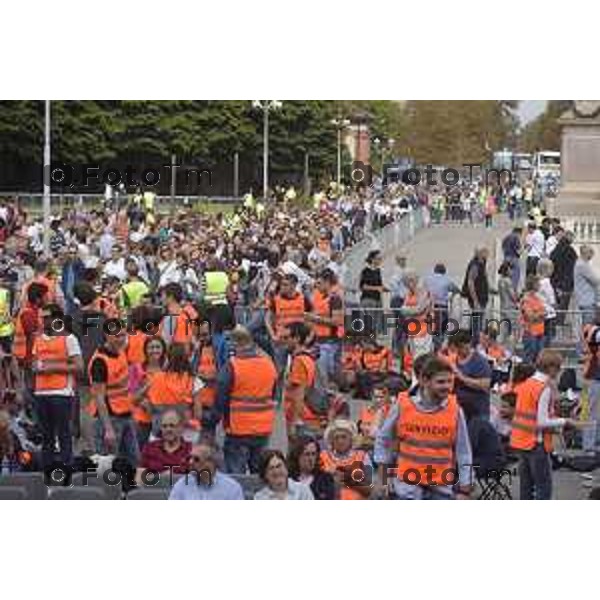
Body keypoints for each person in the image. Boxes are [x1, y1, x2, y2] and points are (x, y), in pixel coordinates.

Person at [374, 356, 473, 500]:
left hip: (440, 490)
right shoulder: (403, 406)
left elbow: (464, 452)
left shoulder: (455, 410)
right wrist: (383, 479)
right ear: (424, 381)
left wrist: (465, 489)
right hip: (407, 490)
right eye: (440, 382)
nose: (447, 387)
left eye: (450, 381)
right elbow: (383, 441)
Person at [510, 349, 577, 500]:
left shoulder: (527, 383)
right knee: (543, 488)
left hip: (521, 442)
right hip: (536, 444)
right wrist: (565, 421)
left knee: (525, 488)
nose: (559, 372)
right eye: (558, 368)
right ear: (551, 368)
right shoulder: (543, 388)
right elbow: (541, 421)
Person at [215, 326, 278, 474]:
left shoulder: (233, 366)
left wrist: (213, 418)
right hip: (263, 428)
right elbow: (273, 394)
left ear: (235, 344)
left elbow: (221, 397)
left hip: (238, 428)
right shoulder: (269, 364)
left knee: (236, 475)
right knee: (260, 473)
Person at [31, 303, 83, 470]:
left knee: (63, 434)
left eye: (47, 317)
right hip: (41, 393)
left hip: (61, 393)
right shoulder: (38, 339)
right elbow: (33, 364)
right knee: (46, 436)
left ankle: (67, 468)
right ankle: (47, 471)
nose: (43, 321)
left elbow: (79, 367)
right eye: (42, 317)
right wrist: (36, 368)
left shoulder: (69, 339)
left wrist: (52, 368)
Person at [88, 326, 140, 468]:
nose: (121, 339)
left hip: (125, 414)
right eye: (117, 336)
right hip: (109, 417)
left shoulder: (121, 352)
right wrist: (108, 429)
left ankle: (131, 488)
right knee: (108, 464)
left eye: (123, 335)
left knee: (133, 460)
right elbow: (99, 397)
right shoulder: (99, 361)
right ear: (107, 336)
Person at [282, 322, 324, 439]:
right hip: (310, 415)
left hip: (303, 417)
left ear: (297, 338)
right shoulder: (308, 357)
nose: (283, 341)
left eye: (286, 338)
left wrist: (294, 422)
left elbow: (299, 394)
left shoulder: (299, 361)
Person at [168, 440, 244, 500]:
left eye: (196, 459)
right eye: (189, 458)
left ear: (211, 462)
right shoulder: (182, 484)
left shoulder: (232, 488)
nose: (190, 462)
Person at [305, 268, 343, 383]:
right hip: (319, 340)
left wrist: (314, 318)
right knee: (321, 374)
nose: (317, 286)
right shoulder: (318, 297)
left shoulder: (335, 299)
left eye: (320, 283)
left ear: (327, 283)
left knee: (327, 373)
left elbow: (337, 321)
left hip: (330, 342)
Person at [319, 419, 373, 500]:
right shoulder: (322, 457)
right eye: (336, 438)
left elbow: (369, 489)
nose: (340, 441)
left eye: (344, 437)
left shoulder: (362, 456)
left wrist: (347, 479)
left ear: (351, 439)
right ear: (331, 441)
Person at [446, 330, 492, 422]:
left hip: (478, 410)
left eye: (462, 347)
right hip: (459, 408)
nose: (458, 351)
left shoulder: (480, 361)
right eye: (456, 348)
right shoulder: (454, 358)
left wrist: (462, 377)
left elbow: (485, 385)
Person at [136, 410, 192, 482]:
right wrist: (161, 477)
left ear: (181, 428)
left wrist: (174, 477)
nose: (168, 429)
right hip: (155, 491)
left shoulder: (190, 450)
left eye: (172, 426)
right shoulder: (149, 448)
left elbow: (195, 481)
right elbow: (139, 480)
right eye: (164, 426)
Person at [423, 263, 460, 351]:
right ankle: (438, 349)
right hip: (442, 307)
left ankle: (433, 347)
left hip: (430, 308)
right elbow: (456, 289)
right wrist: (451, 296)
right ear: (444, 271)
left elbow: (425, 289)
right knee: (441, 329)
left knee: (431, 329)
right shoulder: (446, 280)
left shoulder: (428, 279)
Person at [461, 247, 489, 344]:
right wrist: (475, 301)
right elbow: (470, 282)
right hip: (477, 299)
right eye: (485, 252)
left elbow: (483, 277)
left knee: (479, 322)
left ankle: (476, 342)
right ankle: (475, 343)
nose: (488, 253)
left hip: (483, 297)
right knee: (477, 323)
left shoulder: (483, 262)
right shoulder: (475, 265)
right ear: (480, 253)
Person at [574, 245, 600, 340]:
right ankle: (584, 347)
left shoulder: (583, 264)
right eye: (591, 254)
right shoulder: (582, 265)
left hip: (587, 299)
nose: (592, 256)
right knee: (587, 326)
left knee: (588, 325)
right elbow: (596, 280)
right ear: (586, 253)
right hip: (586, 300)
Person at [550, 230, 577, 320]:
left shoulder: (556, 249)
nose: (573, 240)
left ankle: (555, 320)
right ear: (569, 238)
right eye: (572, 238)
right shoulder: (570, 251)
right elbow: (573, 268)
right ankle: (559, 321)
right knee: (563, 305)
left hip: (555, 280)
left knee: (556, 302)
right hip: (566, 282)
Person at [582, 322, 600, 454]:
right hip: (594, 376)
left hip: (595, 375)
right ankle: (588, 445)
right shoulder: (594, 330)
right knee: (592, 413)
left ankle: (595, 442)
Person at [520, 275, 546, 364]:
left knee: (538, 357)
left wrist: (538, 314)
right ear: (533, 284)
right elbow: (530, 316)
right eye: (538, 283)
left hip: (540, 331)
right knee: (529, 355)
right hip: (530, 332)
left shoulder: (538, 298)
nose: (539, 285)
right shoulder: (526, 299)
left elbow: (544, 312)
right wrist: (540, 314)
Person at [537, 259, 557, 345]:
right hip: (548, 313)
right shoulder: (546, 283)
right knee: (548, 338)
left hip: (540, 312)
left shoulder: (537, 282)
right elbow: (551, 299)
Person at [501, 227, 522, 292]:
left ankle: (505, 288)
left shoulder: (506, 237)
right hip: (513, 258)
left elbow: (502, 246)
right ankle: (513, 290)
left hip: (506, 257)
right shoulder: (516, 237)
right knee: (515, 275)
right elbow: (518, 250)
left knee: (506, 274)